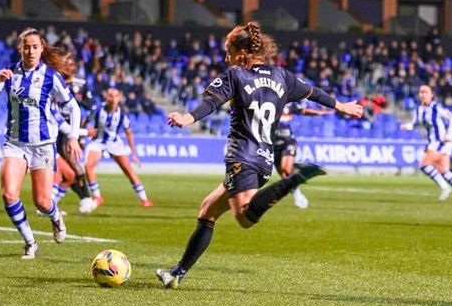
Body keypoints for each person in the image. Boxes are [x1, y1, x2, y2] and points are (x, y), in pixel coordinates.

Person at [155, 21, 364, 289]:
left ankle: (293, 179)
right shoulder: (282, 76)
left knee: (243, 217)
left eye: (229, 50)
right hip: (264, 159)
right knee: (208, 209)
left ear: (242, 52)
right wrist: (341, 105)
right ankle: (176, 273)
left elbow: (210, 102)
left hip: (242, 155)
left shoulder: (235, 75)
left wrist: (187, 117)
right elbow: (312, 92)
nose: (226, 55)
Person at [0, 28, 81, 259]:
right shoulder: (9, 73)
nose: (31, 50)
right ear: (20, 49)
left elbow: (73, 107)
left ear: (42, 48)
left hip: (42, 145)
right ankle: (30, 242)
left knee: (42, 202)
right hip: (14, 143)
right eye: (26, 46)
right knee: (9, 194)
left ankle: (55, 217)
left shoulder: (51, 76)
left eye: (35, 46)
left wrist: (73, 136)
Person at [40, 46, 96, 215]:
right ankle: (84, 199)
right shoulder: (52, 82)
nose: (68, 66)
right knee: (68, 171)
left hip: (70, 131)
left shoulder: (80, 84)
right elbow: (56, 115)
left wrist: (81, 129)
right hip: (54, 134)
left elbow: (91, 106)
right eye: (66, 63)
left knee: (69, 173)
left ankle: (50, 205)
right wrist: (82, 133)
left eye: (71, 64)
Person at [402, 84, 452, 204]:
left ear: (431, 95)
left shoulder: (436, 108)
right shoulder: (419, 110)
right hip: (436, 143)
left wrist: (449, 135)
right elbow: (415, 124)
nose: (422, 94)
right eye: (421, 92)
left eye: (425, 92)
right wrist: (406, 126)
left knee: (424, 165)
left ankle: (445, 188)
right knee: (445, 172)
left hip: (439, 142)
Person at [83, 87, 153, 208]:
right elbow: (86, 121)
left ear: (119, 98)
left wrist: (134, 154)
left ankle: (144, 199)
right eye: (111, 95)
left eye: (115, 96)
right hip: (98, 142)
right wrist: (82, 136)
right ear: (107, 97)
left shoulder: (122, 114)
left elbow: (129, 133)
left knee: (128, 170)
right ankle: (97, 196)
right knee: (88, 166)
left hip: (114, 143)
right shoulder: (98, 109)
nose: (113, 99)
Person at [272, 102, 332, 209]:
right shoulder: (266, 103)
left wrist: (320, 113)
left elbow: (304, 111)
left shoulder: (288, 104)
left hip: (288, 141)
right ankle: (298, 194)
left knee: (285, 168)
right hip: (274, 144)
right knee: (285, 177)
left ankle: (301, 169)